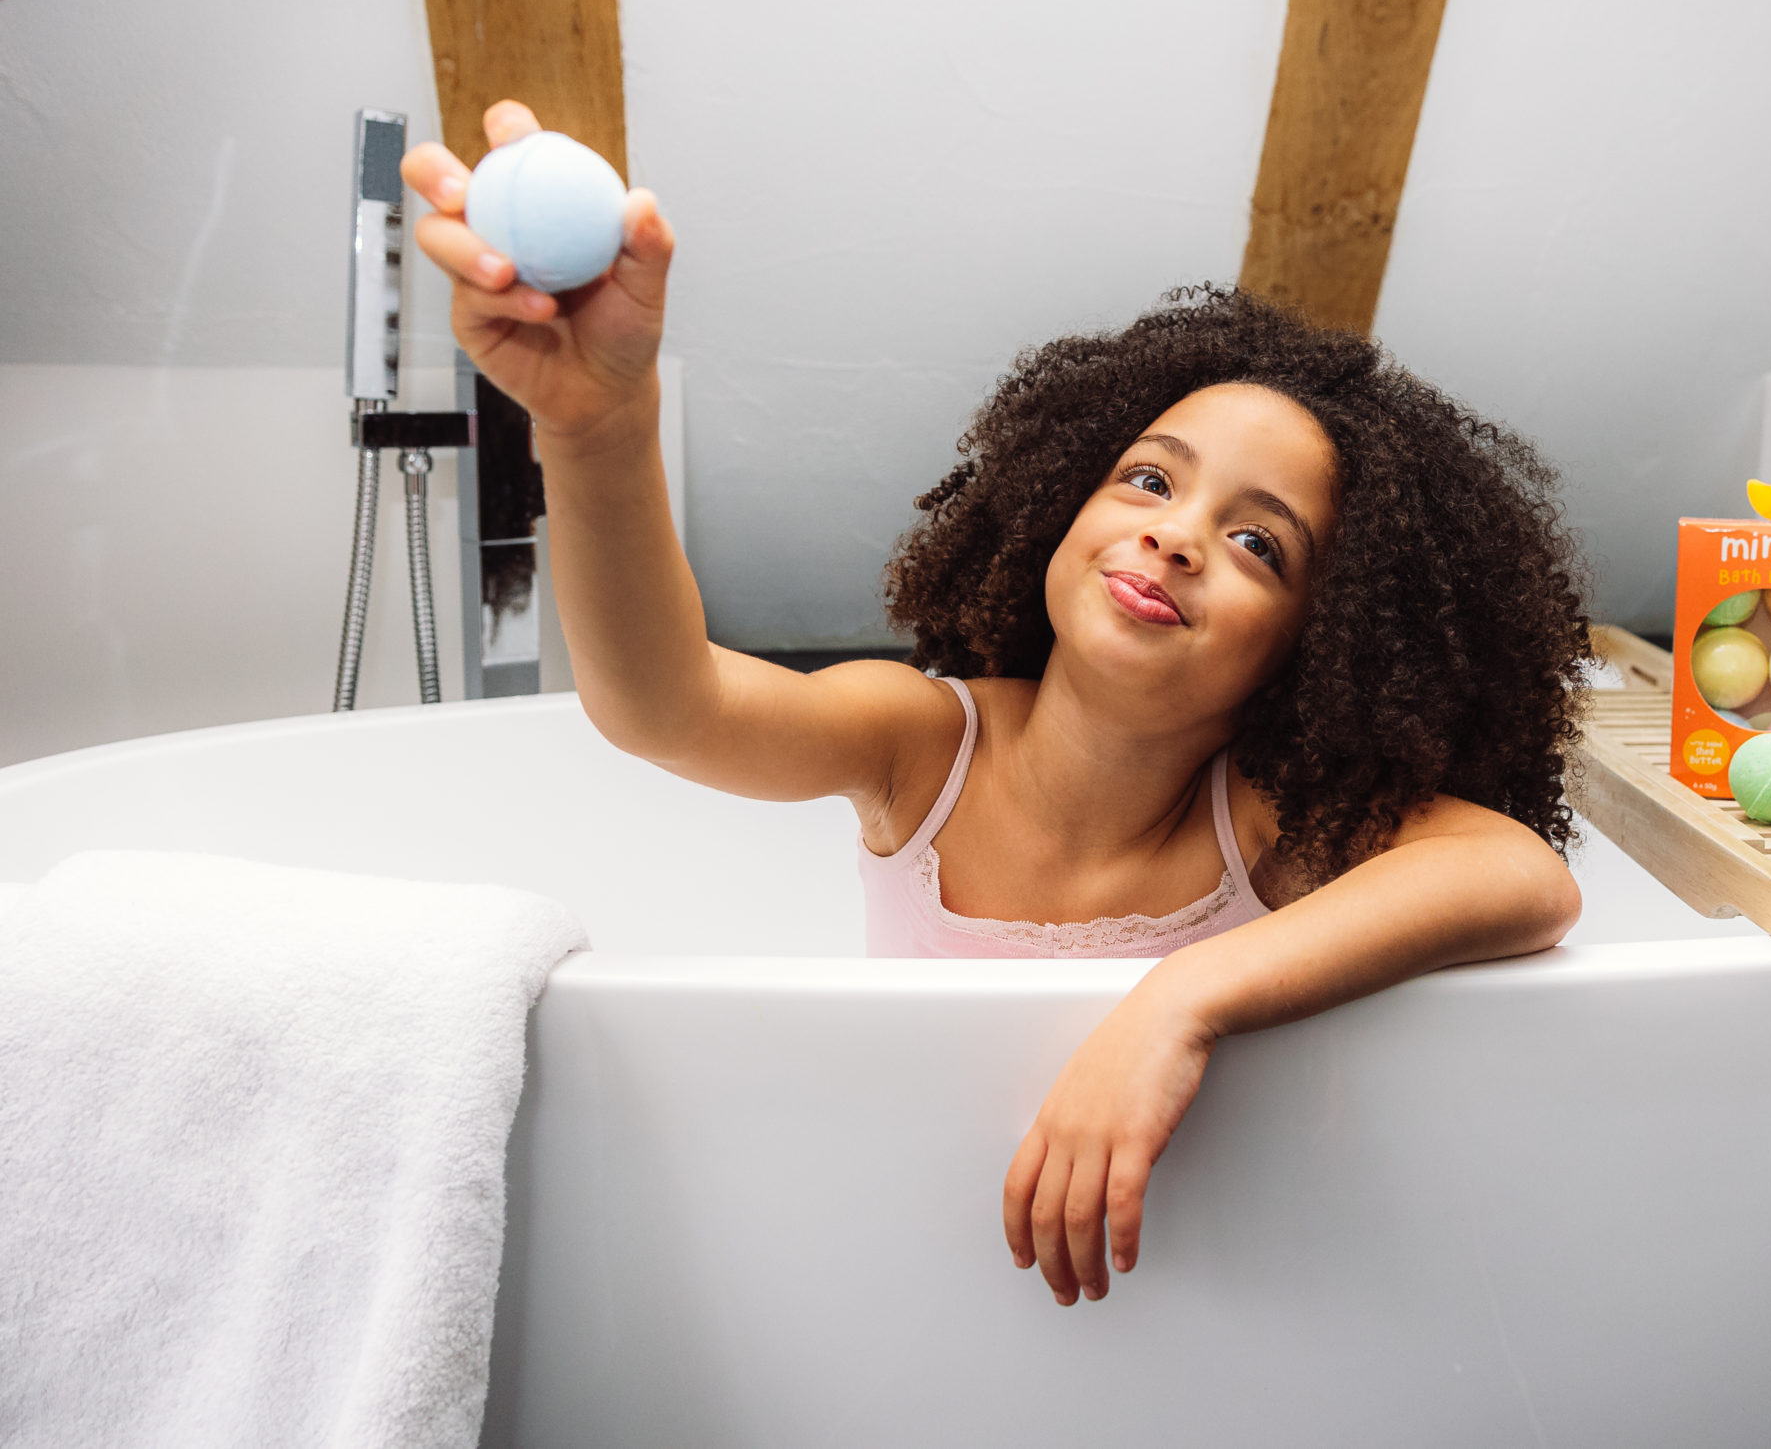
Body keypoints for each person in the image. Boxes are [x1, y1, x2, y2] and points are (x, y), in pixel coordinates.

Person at [401, 102, 1591, 1307]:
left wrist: (1180, 1002)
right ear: (1063, 501)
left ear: (1320, 646)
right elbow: (666, 704)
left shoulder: (1265, 827)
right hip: (901, 1272)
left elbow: (1522, 876)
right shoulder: (923, 748)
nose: (1175, 536)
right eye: (1147, 479)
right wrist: (594, 425)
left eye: (1254, 543)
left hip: (1182, 1305)